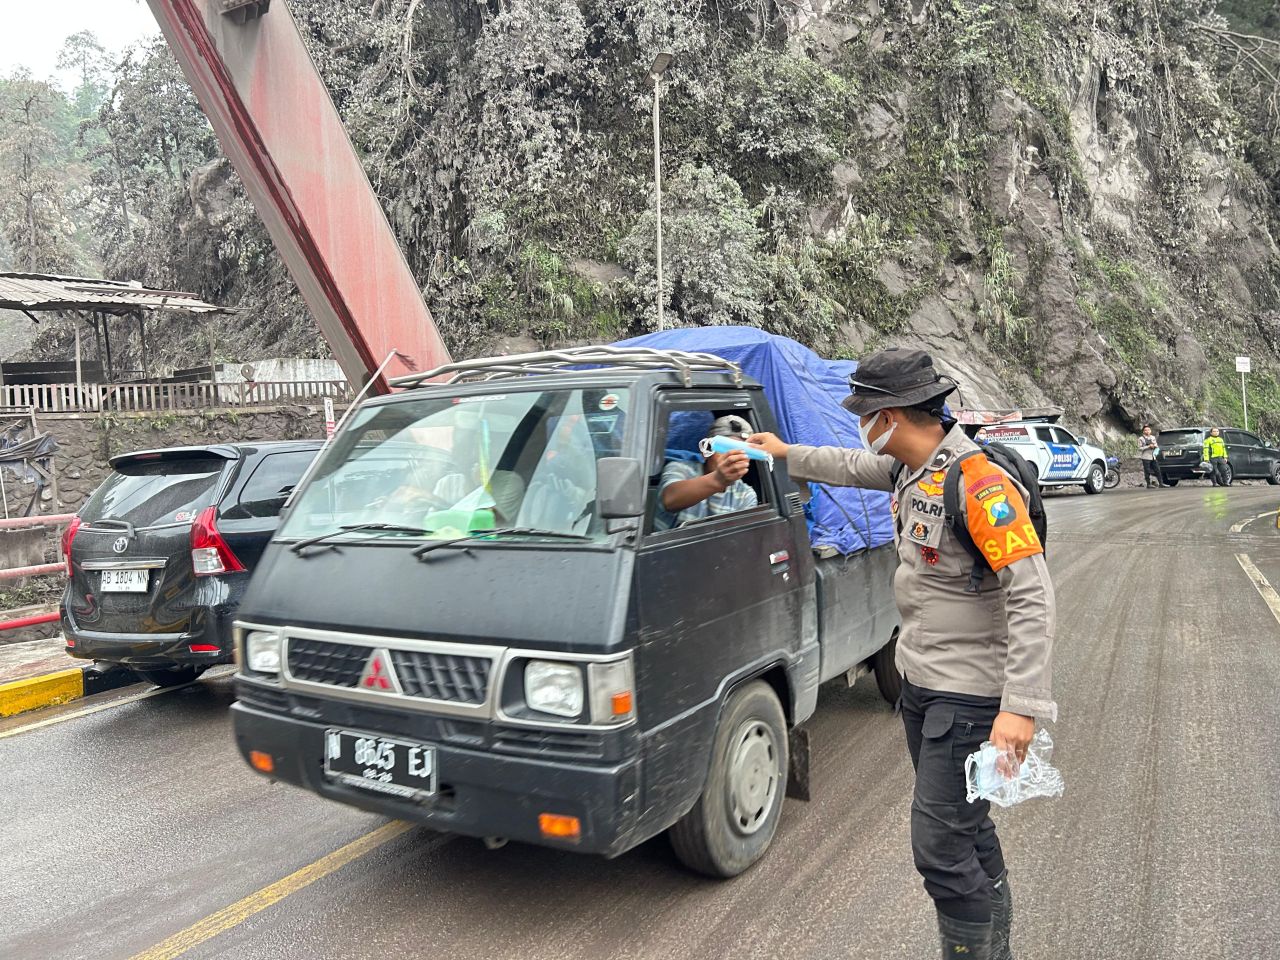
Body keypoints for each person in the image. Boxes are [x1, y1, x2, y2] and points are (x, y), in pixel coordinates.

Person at [749, 348, 1055, 960]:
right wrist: (780, 453)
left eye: (865, 414)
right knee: (968, 828)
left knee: (940, 848)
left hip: (966, 697)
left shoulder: (978, 483)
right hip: (921, 685)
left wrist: (1021, 705)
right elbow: (847, 463)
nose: (863, 427)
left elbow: (1033, 595)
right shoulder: (912, 469)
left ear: (888, 415)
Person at [653, 415, 758, 530]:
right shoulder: (680, 469)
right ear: (706, 450)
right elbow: (670, 500)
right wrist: (719, 479)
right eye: (725, 448)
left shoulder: (745, 495)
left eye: (743, 452)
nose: (733, 457)